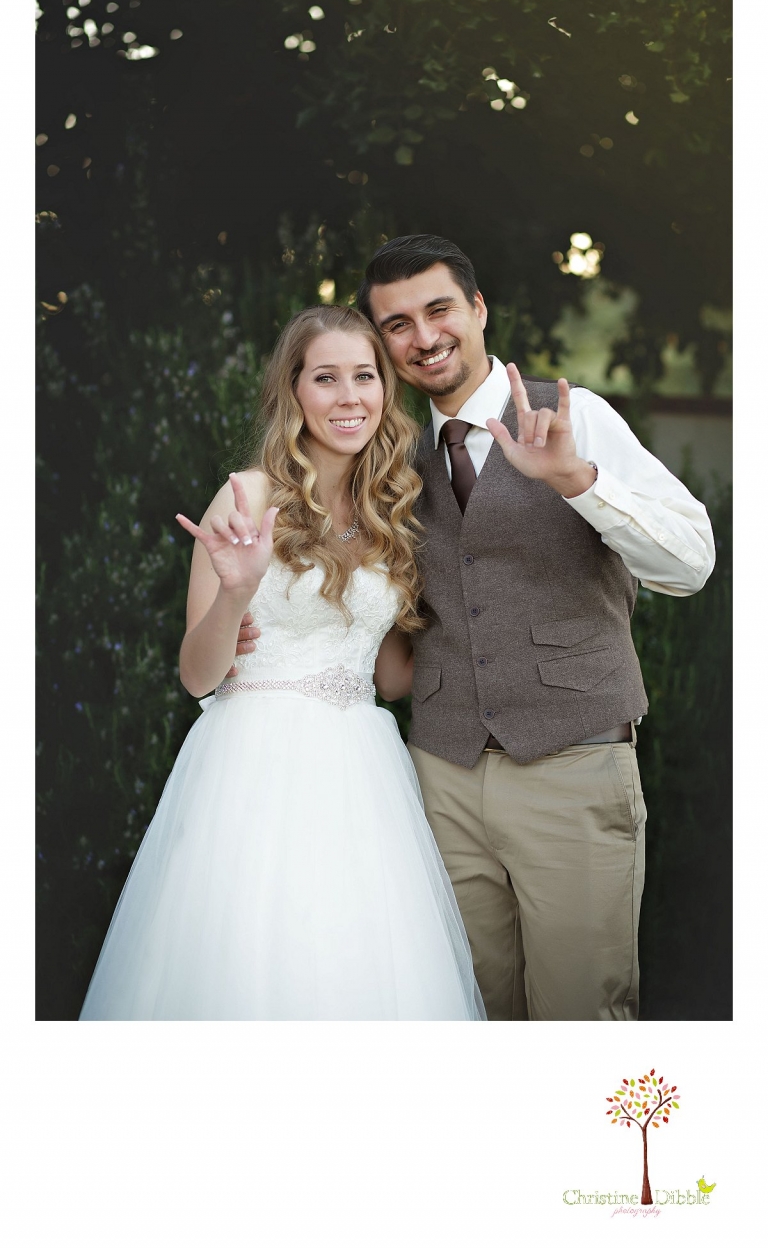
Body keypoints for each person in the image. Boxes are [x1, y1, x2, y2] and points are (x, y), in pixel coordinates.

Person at [79, 304, 485, 1020]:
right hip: (252, 765)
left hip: (362, 774)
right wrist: (233, 593)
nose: (349, 396)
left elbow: (390, 677)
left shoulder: (396, 509)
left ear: (386, 390)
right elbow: (197, 676)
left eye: (364, 376)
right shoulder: (247, 496)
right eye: (325, 378)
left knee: (358, 968)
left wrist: (485, 626)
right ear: (293, 391)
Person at [349, 233, 716, 1022]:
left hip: (572, 763)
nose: (423, 337)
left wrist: (576, 480)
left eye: (440, 309)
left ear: (479, 310)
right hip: (441, 773)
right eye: (397, 324)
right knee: (467, 1010)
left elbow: (690, 562)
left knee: (582, 1013)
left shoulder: (573, 414)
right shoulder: (390, 458)